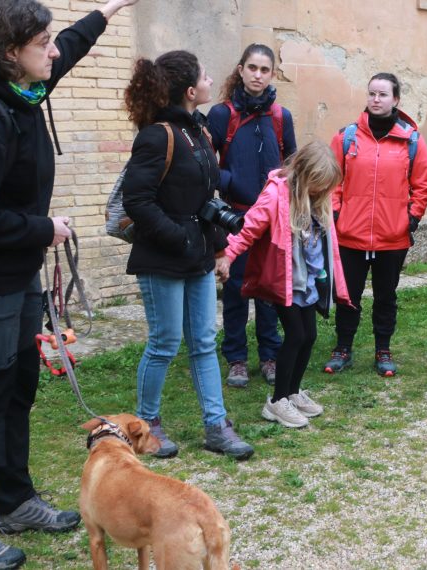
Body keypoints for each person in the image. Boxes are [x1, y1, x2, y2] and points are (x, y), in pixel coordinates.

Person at [0, 0, 138, 568]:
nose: (54, 50)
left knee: (18, 387)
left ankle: (15, 500)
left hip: (19, 276)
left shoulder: (19, 92)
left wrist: (104, 11)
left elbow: (68, 50)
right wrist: (43, 227)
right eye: (41, 42)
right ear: (9, 54)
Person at [121, 50, 254, 461]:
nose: (212, 79)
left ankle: (216, 426)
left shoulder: (199, 133)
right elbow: (137, 200)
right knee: (164, 343)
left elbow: (206, 199)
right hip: (163, 256)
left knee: (202, 341)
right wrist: (179, 237)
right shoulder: (157, 135)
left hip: (196, 256)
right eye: (204, 75)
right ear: (190, 90)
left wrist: (217, 249)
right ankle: (146, 426)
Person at [216, 141, 352, 427]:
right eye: (317, 185)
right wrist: (227, 255)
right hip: (284, 279)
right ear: (302, 174)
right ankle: (277, 402)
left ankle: (292, 392)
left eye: (325, 187)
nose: (320, 192)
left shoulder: (319, 199)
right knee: (295, 335)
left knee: (309, 336)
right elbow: (248, 227)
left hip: (309, 281)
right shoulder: (276, 193)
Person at [322, 72, 427, 377]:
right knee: (348, 296)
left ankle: (383, 349)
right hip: (350, 235)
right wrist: (336, 214)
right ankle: (343, 348)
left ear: (395, 99)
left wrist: (409, 220)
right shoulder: (346, 137)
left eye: (383, 94)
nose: (376, 99)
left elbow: (422, 185)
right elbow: (331, 181)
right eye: (372, 93)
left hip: (392, 237)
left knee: (386, 296)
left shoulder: (411, 140)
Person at [207, 43, 297, 388]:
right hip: (234, 216)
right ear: (241, 69)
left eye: (265, 70)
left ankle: (271, 354)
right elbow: (205, 162)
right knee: (235, 290)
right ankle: (237, 358)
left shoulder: (280, 116)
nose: (258, 75)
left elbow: (293, 162)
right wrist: (231, 181)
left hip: (273, 220)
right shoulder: (221, 115)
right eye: (252, 68)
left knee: (270, 289)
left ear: (272, 74)